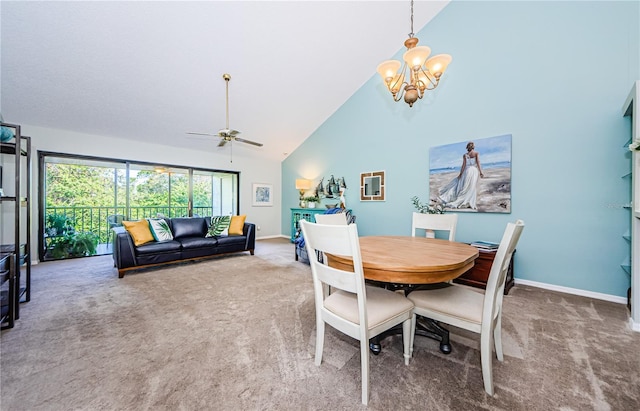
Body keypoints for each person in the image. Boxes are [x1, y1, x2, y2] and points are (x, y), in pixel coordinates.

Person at [438, 141, 484, 209]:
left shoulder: (465, 155)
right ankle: (468, 201)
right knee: (471, 186)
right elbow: (478, 163)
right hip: (474, 171)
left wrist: (461, 173)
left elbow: (463, 165)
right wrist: (481, 172)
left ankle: (465, 200)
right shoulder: (476, 153)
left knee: (465, 186)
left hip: (467, 171)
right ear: (473, 147)